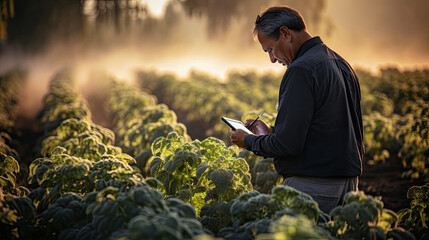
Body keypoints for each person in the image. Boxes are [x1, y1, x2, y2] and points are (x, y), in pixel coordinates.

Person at [229, 6, 364, 214]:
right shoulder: (339, 62)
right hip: (349, 186)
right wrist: (272, 133)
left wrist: (247, 140)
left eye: (270, 50)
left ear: (285, 33)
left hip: (313, 188)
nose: (272, 60)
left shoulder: (300, 69)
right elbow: (323, 129)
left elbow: (288, 145)